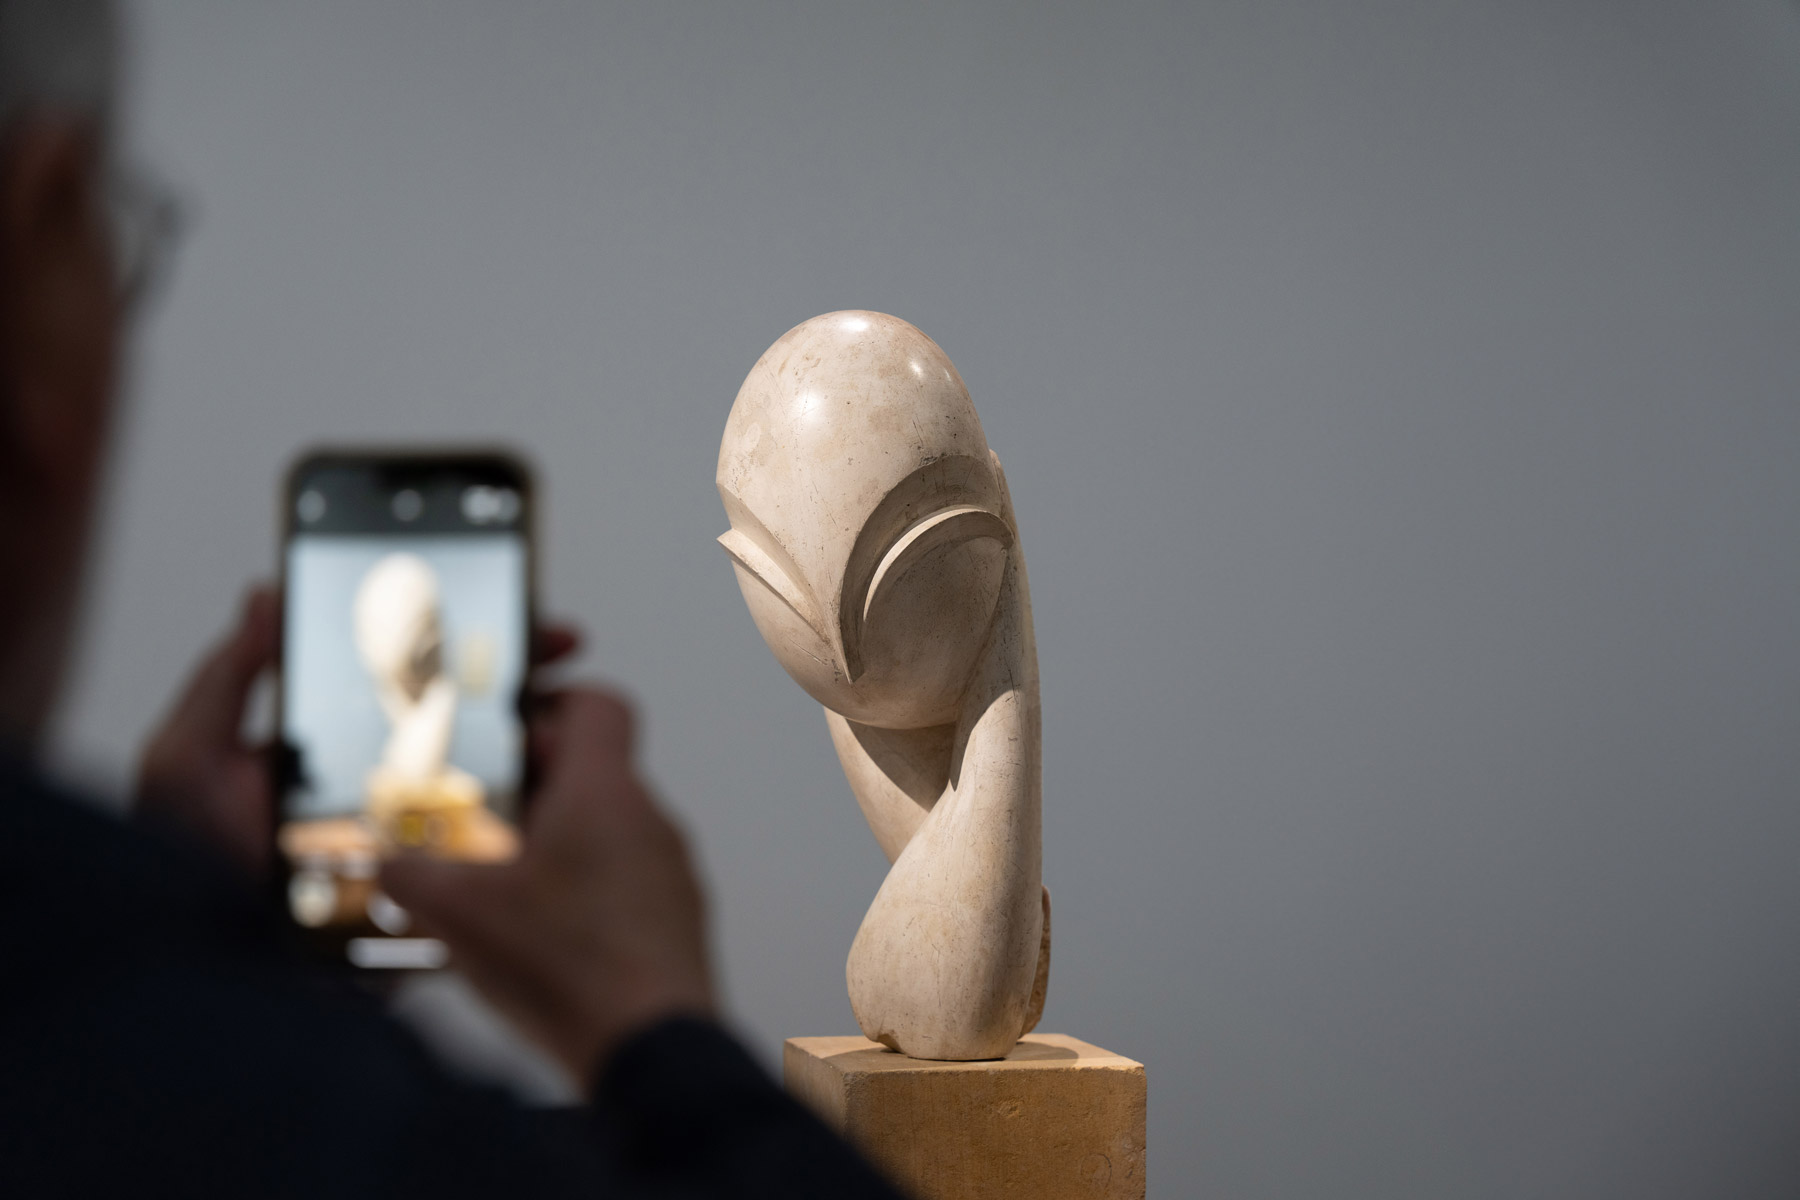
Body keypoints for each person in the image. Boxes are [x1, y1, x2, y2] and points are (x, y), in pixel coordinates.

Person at [0, 3, 903, 1196]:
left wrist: (207, 941)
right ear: (40, 225)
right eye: (113, 243)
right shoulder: (317, 1118)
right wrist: (649, 1017)